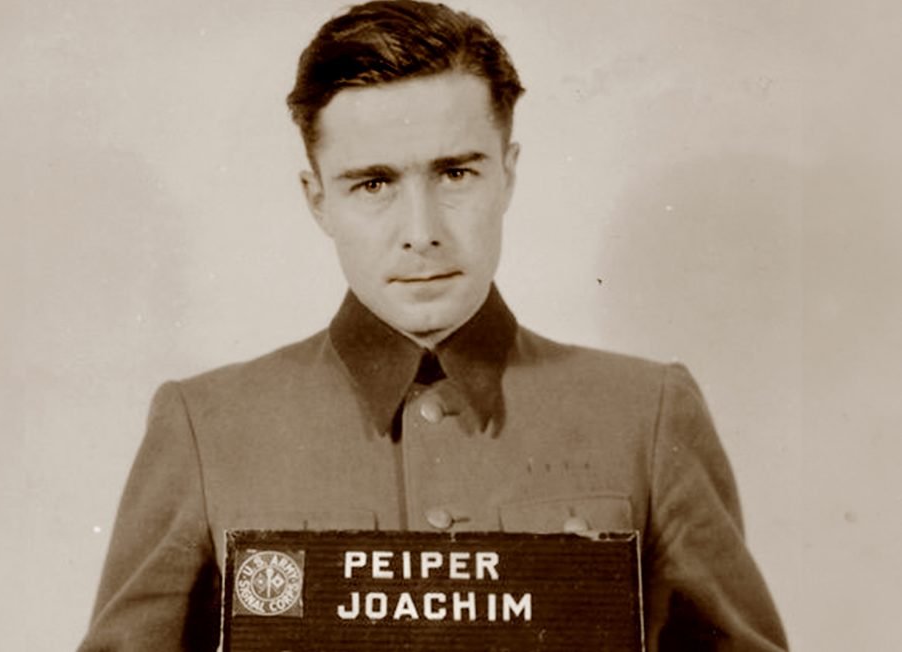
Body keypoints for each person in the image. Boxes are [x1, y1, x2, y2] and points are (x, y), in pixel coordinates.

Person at [79, 1, 787, 650]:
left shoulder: (647, 413)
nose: (421, 233)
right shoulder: (207, 428)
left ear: (507, 175)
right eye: (374, 183)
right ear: (317, 199)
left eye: (455, 174)